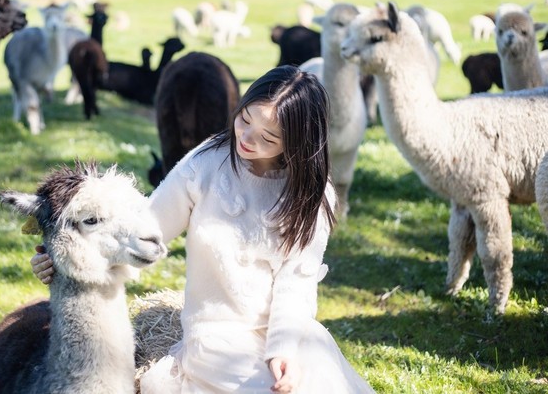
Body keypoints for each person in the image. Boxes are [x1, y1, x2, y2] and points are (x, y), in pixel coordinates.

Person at [30, 65, 375, 393]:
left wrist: (282, 350)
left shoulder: (311, 195)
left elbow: (296, 282)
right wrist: (68, 256)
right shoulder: (208, 163)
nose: (248, 137)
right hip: (218, 337)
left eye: (269, 136)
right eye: (245, 118)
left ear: (297, 142)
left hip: (285, 331)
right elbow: (149, 226)